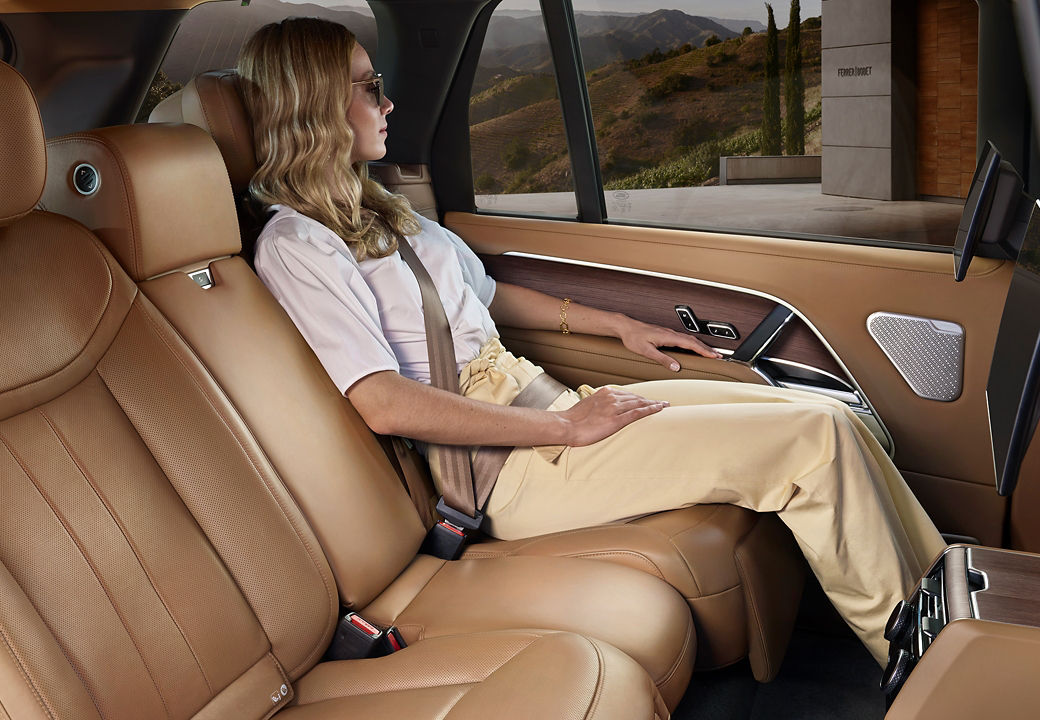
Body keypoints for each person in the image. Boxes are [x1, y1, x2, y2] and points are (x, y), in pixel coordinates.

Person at [235, 17, 946, 664]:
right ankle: (925, 671)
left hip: (536, 401)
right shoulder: (297, 244)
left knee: (832, 415)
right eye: (368, 88)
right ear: (313, 106)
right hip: (501, 466)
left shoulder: (379, 206)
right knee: (812, 442)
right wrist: (564, 428)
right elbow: (383, 402)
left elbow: (484, 296)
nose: (388, 105)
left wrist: (619, 325)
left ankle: (951, 618)